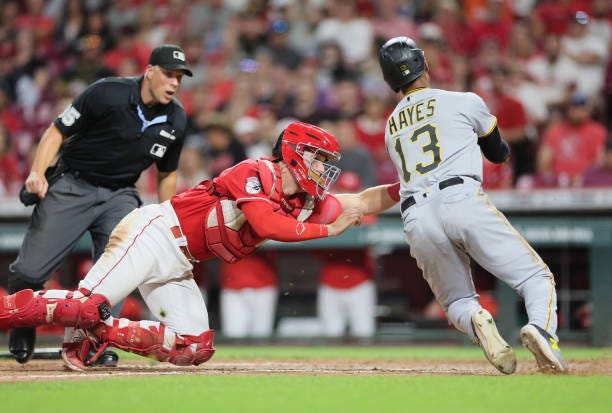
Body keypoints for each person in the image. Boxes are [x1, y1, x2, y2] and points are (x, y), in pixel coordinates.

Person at [0, 121, 399, 371]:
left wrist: (410, 186)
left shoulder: (302, 201)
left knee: (195, 347)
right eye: (317, 158)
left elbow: (363, 201)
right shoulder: (255, 170)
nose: (323, 169)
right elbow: (265, 223)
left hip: (180, 260)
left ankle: (101, 331)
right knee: (83, 305)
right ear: (294, 153)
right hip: (155, 233)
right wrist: (331, 232)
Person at [377, 36, 568, 374]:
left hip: (416, 216)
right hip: (461, 199)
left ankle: (478, 317)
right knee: (537, 278)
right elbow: (498, 152)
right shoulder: (463, 100)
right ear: (423, 64)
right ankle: (541, 330)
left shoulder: (391, 126)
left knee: (456, 303)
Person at [6, 44, 193, 365]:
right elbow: (56, 132)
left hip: (120, 194)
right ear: (149, 71)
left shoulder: (176, 118)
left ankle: (94, 342)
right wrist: (37, 172)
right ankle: (23, 325)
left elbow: (167, 173)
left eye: (179, 77)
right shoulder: (107, 93)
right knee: (29, 271)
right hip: (74, 184)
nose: (174, 83)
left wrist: (167, 220)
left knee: (119, 273)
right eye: (168, 74)